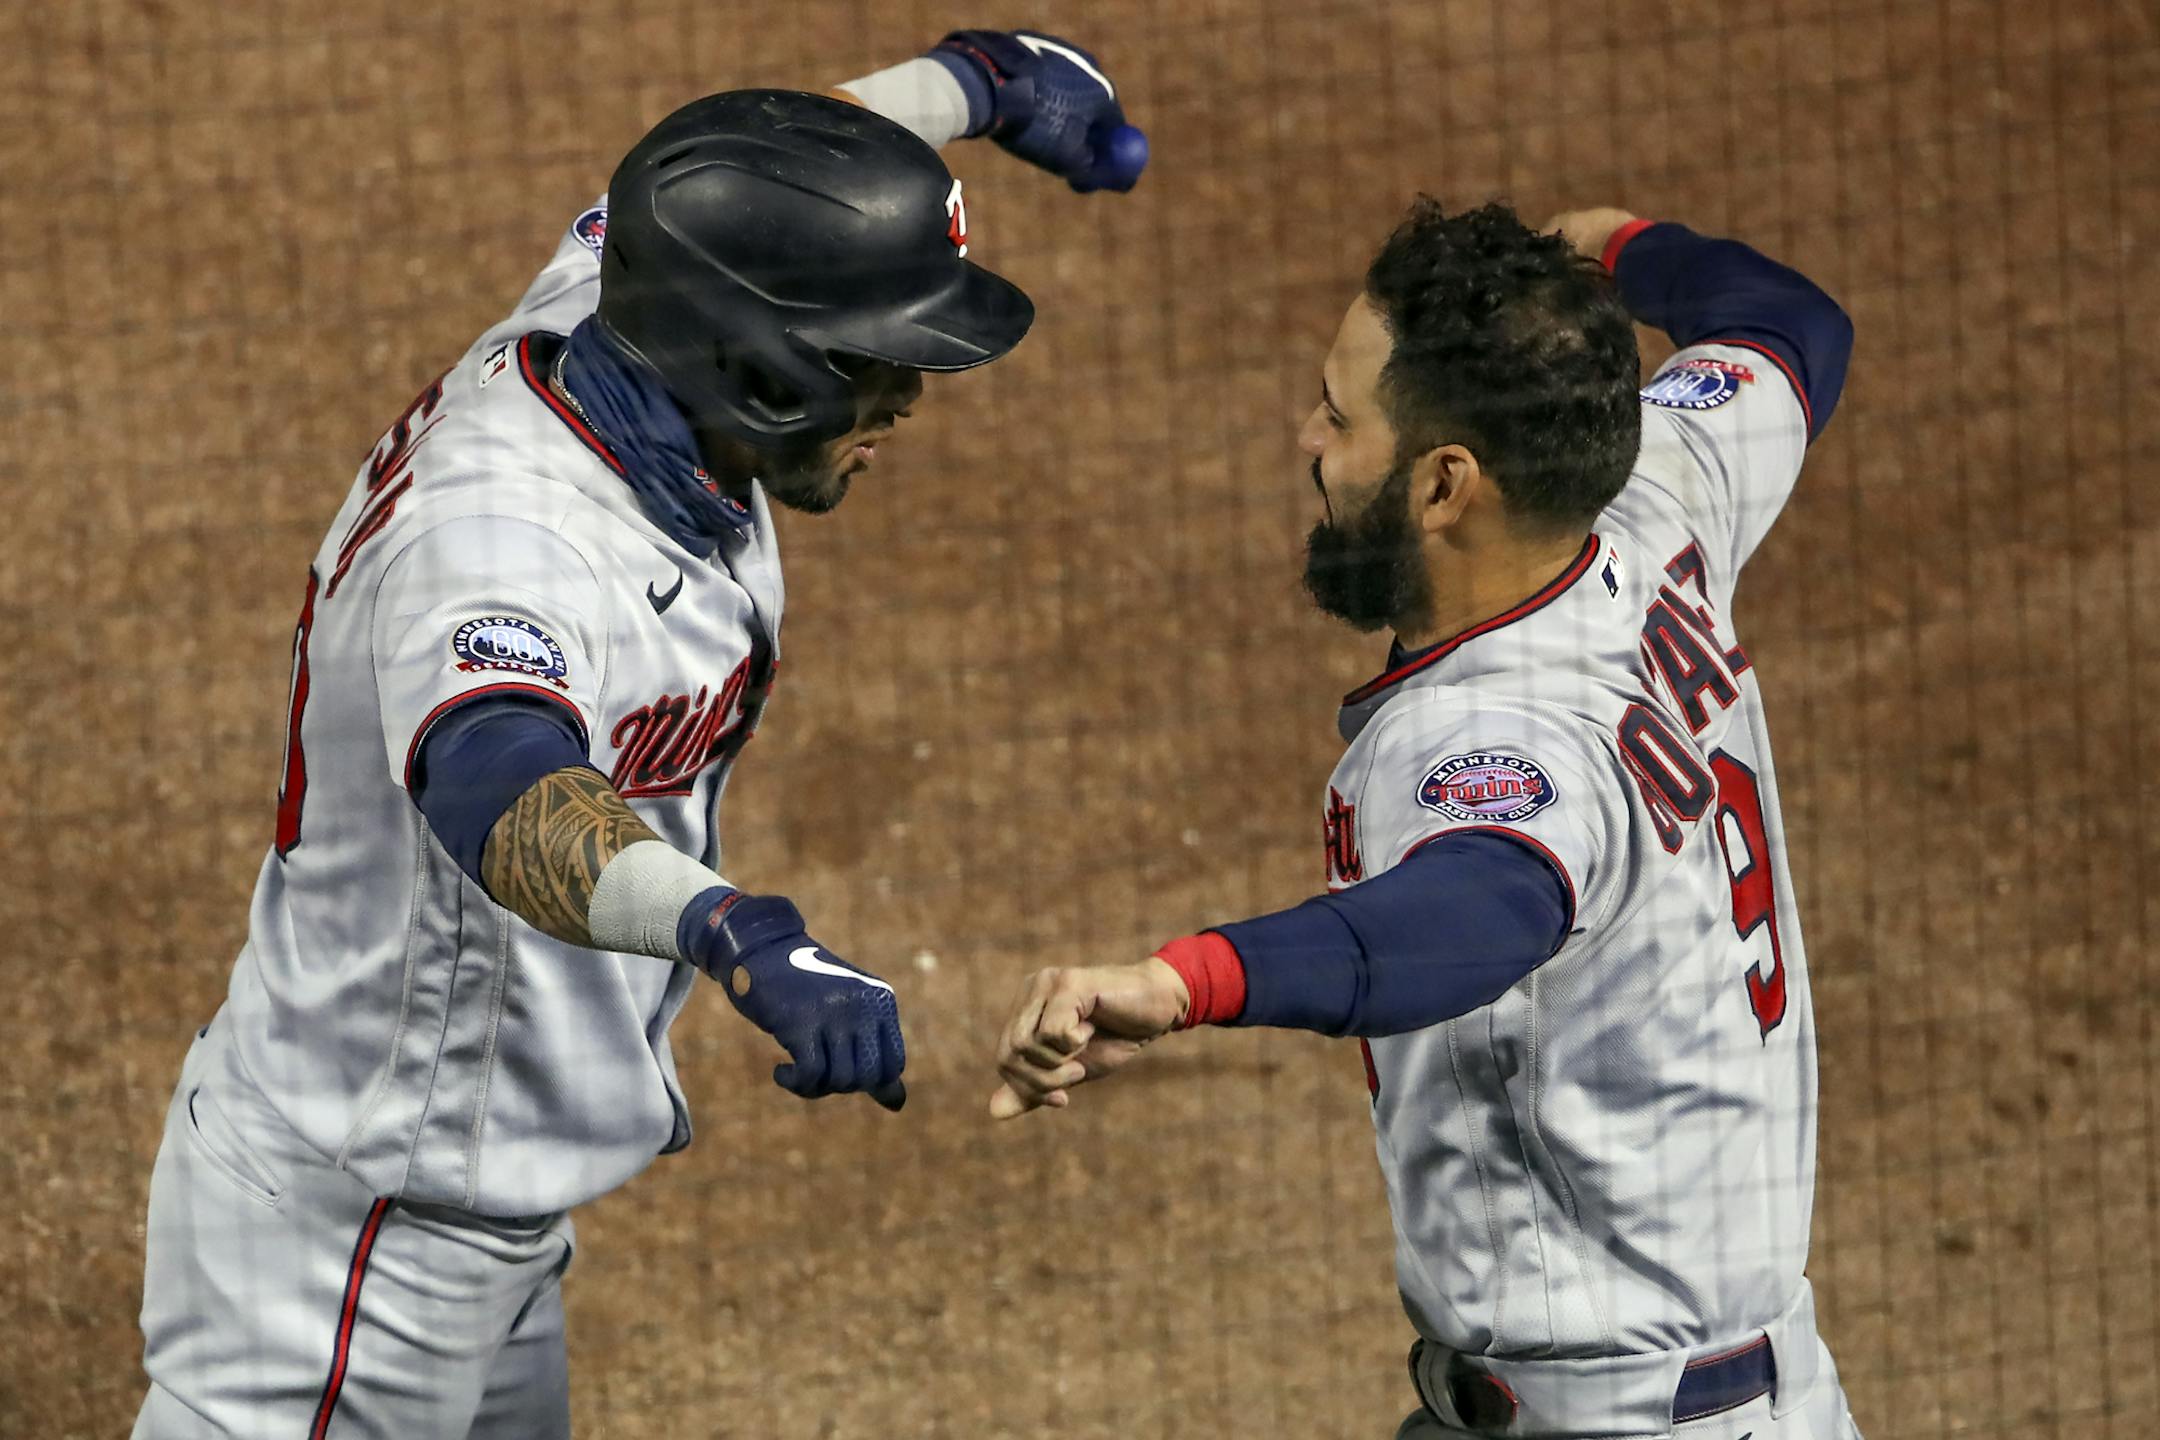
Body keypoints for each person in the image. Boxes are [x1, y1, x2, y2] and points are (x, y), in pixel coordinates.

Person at [133, 29, 1144, 1439]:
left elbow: (750, 162)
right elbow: (500, 780)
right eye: (876, 364)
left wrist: (980, 81)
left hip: (471, 1200)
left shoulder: (635, 299)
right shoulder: (503, 545)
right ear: (759, 363)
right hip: (355, 1240)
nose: (908, 400)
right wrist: (731, 926)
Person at [987, 201, 1862, 1439]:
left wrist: (1185, 981)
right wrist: (1621, 247)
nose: (1309, 440)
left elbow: (1451, 920)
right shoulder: (1656, 489)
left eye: (1341, 420)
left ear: (1444, 483)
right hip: (1687, 1392)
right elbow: (1788, 323)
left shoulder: (1498, 737)